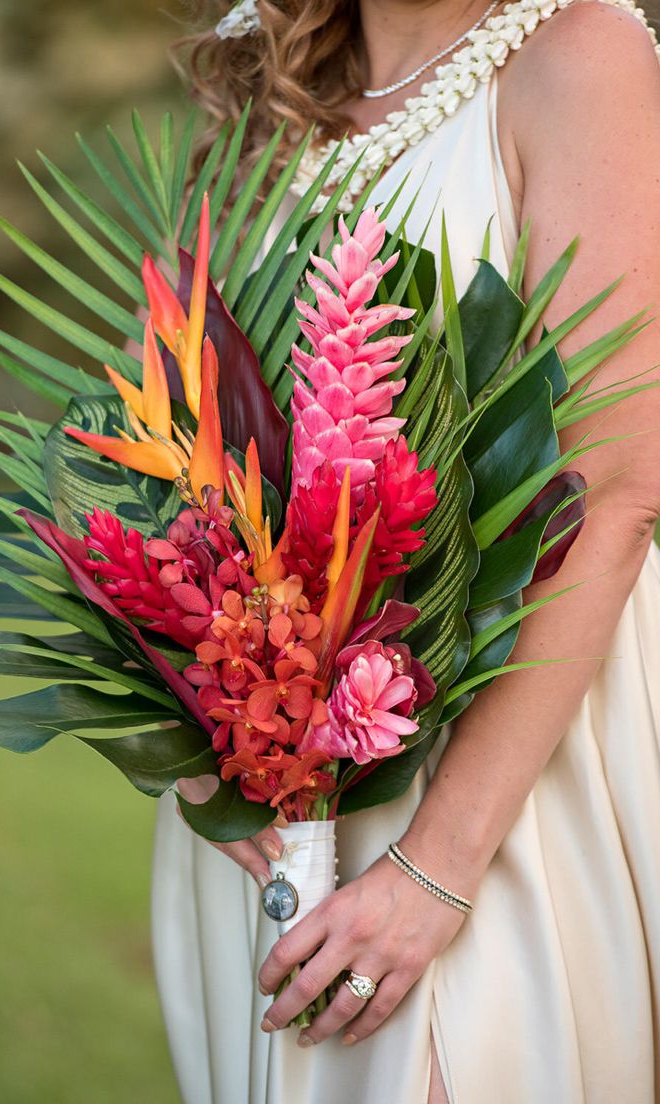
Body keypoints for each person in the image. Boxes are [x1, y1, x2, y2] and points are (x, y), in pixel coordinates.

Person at [151, 1, 660, 1100]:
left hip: (501, 769)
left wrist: (437, 867)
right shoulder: (262, 87)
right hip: (263, 787)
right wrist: (184, 734)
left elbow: (616, 490)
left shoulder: (578, 56)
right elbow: (185, 441)